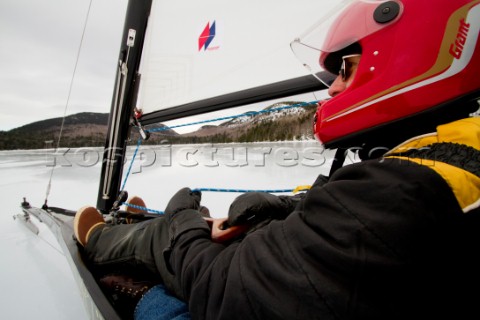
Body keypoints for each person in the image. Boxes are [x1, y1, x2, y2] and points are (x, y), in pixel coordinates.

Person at [74, 0, 480, 319]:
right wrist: (292, 207)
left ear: (408, 52)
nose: (333, 89)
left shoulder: (403, 193)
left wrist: (179, 227)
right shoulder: (446, 165)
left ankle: (102, 246)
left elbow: (224, 290)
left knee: (166, 290)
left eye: (344, 68)